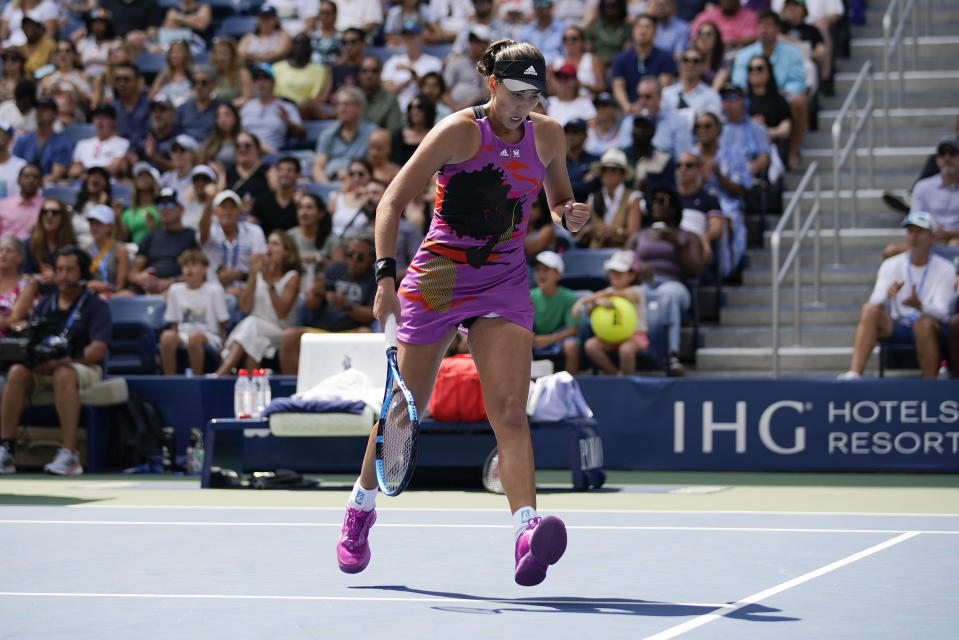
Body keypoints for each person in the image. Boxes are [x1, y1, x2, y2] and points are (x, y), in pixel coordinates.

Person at [336, 39, 590, 586]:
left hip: (502, 279)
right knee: (404, 413)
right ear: (492, 85)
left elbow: (557, 199)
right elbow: (391, 201)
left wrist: (570, 213)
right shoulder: (457, 132)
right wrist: (384, 276)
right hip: (440, 278)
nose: (526, 105)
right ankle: (360, 510)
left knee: (510, 411)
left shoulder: (547, 134)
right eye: (517, 93)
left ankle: (527, 531)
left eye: (535, 95)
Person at [0, 245, 111, 476]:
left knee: (64, 372)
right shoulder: (45, 303)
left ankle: (69, 454)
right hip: (45, 366)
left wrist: (64, 360)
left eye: (70, 270)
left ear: (82, 273)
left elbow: (97, 351)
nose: (63, 275)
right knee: (17, 371)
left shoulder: (95, 305)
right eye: (59, 269)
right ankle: (6, 449)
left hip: (83, 366)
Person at [839, 212, 956, 380]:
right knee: (870, 310)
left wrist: (920, 306)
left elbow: (942, 313)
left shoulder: (945, 268)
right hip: (897, 324)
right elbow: (874, 301)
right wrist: (887, 294)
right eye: (910, 231)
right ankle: (855, 373)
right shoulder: (891, 264)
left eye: (919, 232)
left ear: (931, 237)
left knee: (922, 323)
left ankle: (930, 383)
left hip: (930, 326)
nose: (913, 237)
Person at [628, 185, 705, 375]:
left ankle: (672, 356)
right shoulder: (639, 235)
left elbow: (696, 271)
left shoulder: (689, 236)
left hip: (675, 285)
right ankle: (639, 351)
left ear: (674, 207)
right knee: (637, 295)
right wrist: (638, 266)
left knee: (666, 297)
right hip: (644, 284)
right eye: (653, 201)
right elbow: (622, 261)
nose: (655, 205)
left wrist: (677, 245)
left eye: (661, 201)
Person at [278, 229, 376, 374]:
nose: (354, 260)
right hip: (322, 330)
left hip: (351, 332)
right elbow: (310, 306)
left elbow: (372, 314)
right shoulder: (333, 269)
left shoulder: (374, 279)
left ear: (371, 259)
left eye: (360, 257)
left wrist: (346, 306)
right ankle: (294, 391)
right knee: (288, 337)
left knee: (366, 334)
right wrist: (316, 293)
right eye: (350, 255)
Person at [214, 229, 301, 376]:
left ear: (287, 252)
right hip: (255, 332)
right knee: (254, 344)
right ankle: (252, 390)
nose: (269, 247)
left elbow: (281, 313)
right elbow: (244, 307)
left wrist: (269, 284)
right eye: (268, 243)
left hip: (280, 331)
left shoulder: (292, 277)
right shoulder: (258, 275)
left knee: (251, 323)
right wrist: (253, 275)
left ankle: (222, 372)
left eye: (275, 244)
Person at [731, 10, 807, 171]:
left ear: (777, 29)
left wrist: (776, 93)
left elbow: (798, 83)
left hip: (781, 98)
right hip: (751, 100)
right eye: (761, 25)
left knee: (798, 100)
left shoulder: (791, 52)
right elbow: (738, 84)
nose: (764, 30)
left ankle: (792, 153)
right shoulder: (745, 54)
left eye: (769, 26)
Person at [572, 249, 650, 375]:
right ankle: (616, 376)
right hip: (610, 337)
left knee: (626, 350)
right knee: (591, 346)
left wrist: (584, 300)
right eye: (612, 272)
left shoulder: (637, 291)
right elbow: (589, 314)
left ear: (632, 275)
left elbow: (616, 294)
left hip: (634, 336)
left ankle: (626, 382)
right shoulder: (606, 292)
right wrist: (595, 303)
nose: (614, 275)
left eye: (619, 272)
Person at [159, 248, 229, 375]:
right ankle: (170, 380)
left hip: (210, 336)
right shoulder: (174, 290)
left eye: (194, 265)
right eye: (185, 265)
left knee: (194, 338)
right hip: (183, 335)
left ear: (204, 269)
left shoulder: (215, 290)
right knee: (167, 336)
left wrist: (224, 350)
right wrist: (172, 338)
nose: (188, 269)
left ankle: (197, 381)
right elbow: (174, 324)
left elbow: (223, 324)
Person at [128, 187, 199, 294]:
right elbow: (132, 273)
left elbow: (198, 272)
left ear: (181, 209)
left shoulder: (191, 236)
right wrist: (141, 278)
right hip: (150, 292)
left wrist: (170, 282)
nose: (164, 209)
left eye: (169, 204)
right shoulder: (150, 236)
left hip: (181, 292)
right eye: (160, 205)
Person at [197, 189, 267, 294]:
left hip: (246, 290)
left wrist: (239, 275)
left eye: (232, 207)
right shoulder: (210, 231)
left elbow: (258, 267)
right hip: (213, 291)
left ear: (240, 212)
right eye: (223, 207)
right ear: (215, 211)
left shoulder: (254, 231)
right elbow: (203, 233)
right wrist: (208, 205)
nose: (228, 211)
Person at [610, 14, 677, 112]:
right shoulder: (621, 57)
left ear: (655, 32)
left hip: (656, 109)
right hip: (628, 110)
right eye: (639, 26)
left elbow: (663, 86)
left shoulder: (665, 57)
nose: (642, 31)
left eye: (647, 27)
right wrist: (627, 106)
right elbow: (618, 86)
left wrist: (642, 105)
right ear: (633, 30)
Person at [312, 86, 377, 183]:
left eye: (347, 104)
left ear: (360, 107)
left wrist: (350, 179)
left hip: (360, 183)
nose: (342, 108)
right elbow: (318, 167)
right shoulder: (328, 134)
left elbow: (376, 166)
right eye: (339, 104)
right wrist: (328, 187)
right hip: (331, 183)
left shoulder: (373, 133)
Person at [530, 250, 579, 373]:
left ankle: (571, 386)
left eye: (546, 270)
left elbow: (573, 330)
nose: (541, 274)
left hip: (558, 340)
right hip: (535, 340)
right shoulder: (529, 296)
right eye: (537, 270)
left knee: (571, 346)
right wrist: (530, 337)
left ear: (558, 274)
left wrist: (549, 339)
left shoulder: (568, 296)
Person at [581, 148, 641, 249]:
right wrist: (587, 231)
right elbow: (579, 229)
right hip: (596, 252)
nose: (608, 174)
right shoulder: (593, 198)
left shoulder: (633, 197)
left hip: (622, 252)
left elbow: (634, 233)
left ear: (622, 174)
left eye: (613, 169)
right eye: (604, 170)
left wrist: (616, 232)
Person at [239, 63, 305, 154]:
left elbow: (302, 133)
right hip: (247, 153)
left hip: (275, 154)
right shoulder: (246, 108)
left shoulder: (286, 106)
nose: (261, 83)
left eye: (265, 78)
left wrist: (288, 121)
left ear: (273, 82)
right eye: (257, 79)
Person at [380, 21, 442, 112]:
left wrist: (411, 71)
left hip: (424, 111)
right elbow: (387, 90)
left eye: (413, 36)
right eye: (406, 36)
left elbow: (432, 91)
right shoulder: (393, 61)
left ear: (421, 38)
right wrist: (410, 80)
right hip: (395, 110)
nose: (409, 40)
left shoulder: (433, 62)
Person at [272, 33, 331, 121]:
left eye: (304, 44)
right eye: (297, 43)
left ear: (309, 47)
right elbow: (273, 94)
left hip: (308, 111)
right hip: (281, 108)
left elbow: (318, 97)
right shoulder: (276, 68)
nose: (300, 47)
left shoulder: (319, 70)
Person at [23, 197, 76, 294]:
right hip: (32, 295)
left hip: (64, 295)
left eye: (54, 212)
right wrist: (36, 277)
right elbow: (18, 275)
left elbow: (78, 280)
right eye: (45, 212)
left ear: (63, 217)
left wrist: (56, 278)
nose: (49, 215)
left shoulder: (72, 247)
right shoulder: (28, 244)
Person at [745, 55, 792, 161]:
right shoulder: (742, 101)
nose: (754, 72)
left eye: (759, 68)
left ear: (768, 72)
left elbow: (786, 129)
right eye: (750, 69)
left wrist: (764, 131)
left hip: (771, 149)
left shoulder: (778, 100)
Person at [12, 97, 71, 183]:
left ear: (55, 114)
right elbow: (14, 167)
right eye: (38, 109)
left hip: (46, 189)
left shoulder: (62, 144)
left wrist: (34, 186)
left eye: (45, 109)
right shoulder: (23, 140)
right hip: (21, 186)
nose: (40, 112)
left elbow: (56, 174)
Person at [661, 46, 721, 128]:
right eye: (686, 60)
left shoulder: (712, 96)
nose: (690, 64)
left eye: (695, 61)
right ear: (680, 65)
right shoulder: (666, 94)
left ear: (703, 66)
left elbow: (712, 128)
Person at [68, 103, 128, 179]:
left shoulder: (122, 143)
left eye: (104, 117)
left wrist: (84, 170)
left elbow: (113, 169)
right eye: (97, 117)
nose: (100, 122)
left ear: (114, 121)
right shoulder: (82, 144)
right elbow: (73, 171)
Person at [83, 203, 129, 296]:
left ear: (110, 227)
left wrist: (105, 288)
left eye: (99, 223)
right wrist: (92, 285)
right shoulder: (84, 250)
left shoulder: (120, 250)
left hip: (113, 295)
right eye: (92, 223)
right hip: (90, 293)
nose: (94, 227)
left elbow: (120, 285)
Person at [250, 154, 299, 235]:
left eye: (289, 170)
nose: (285, 173)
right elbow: (250, 224)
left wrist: (299, 205)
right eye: (281, 170)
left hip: (294, 245)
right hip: (268, 245)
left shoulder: (302, 202)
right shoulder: (262, 199)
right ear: (276, 173)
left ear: (297, 175)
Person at [550, 25, 605, 96]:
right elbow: (550, 90)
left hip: (587, 101)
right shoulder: (556, 62)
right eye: (565, 39)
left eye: (574, 39)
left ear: (583, 41)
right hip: (562, 103)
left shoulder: (592, 60)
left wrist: (583, 85)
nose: (569, 42)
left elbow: (601, 87)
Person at [175, 65, 221, 146]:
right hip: (186, 151)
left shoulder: (221, 108)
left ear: (213, 85)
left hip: (212, 149)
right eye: (194, 82)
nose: (198, 86)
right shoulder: (182, 108)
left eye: (204, 82)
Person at [328, 157, 372, 236]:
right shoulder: (338, 198)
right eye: (352, 174)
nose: (356, 178)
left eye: (360, 174)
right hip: (338, 244)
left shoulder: (373, 200)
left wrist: (367, 195)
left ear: (370, 176)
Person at [0, 234, 34, 336]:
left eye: (9, 250)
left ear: (20, 258)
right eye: (0, 250)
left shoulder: (26, 285)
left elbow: (13, 319)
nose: (3, 254)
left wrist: (6, 322)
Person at [118, 162, 161, 244]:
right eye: (139, 176)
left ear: (153, 180)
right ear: (135, 182)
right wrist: (117, 218)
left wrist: (153, 228)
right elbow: (122, 239)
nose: (143, 178)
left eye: (147, 175)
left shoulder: (162, 207)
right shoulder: (128, 213)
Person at [388, 94, 436, 166]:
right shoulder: (398, 135)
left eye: (419, 107)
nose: (414, 111)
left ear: (428, 110)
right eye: (411, 107)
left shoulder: (435, 135)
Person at [690, 0, 758, 50]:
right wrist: (733, 42)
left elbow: (751, 39)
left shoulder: (751, 17)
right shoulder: (705, 16)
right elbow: (695, 39)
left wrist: (719, 43)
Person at [358, 55, 402, 132]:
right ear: (360, 74)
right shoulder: (352, 97)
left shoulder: (390, 99)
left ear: (380, 73)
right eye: (365, 71)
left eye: (374, 71)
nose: (369, 75)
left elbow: (393, 131)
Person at [0, 163, 42, 241]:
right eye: (26, 176)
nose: (31, 180)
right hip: (4, 250)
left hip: (34, 249)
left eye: (35, 177)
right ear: (18, 181)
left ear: (41, 183)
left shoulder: (46, 207)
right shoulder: (2, 205)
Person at [147, 40, 193, 108]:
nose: (175, 55)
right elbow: (150, 98)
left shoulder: (193, 75)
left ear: (186, 54)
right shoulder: (162, 76)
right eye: (172, 52)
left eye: (178, 51)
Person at [210, 36, 253, 108]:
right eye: (216, 53)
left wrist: (227, 106)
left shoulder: (242, 74)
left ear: (232, 55)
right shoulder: (211, 74)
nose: (220, 57)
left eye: (224, 53)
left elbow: (246, 99)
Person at [564, 118, 599, 204]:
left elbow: (590, 186)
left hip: (585, 210)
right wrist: (580, 181)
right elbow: (544, 189)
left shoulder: (594, 160)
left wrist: (560, 186)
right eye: (567, 132)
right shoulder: (556, 161)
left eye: (575, 132)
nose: (571, 136)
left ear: (585, 135)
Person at [202, 102, 241, 172]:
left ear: (235, 117)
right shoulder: (210, 142)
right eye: (219, 116)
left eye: (227, 115)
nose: (223, 119)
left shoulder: (245, 140)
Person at [693, 21, 730, 91]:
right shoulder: (690, 59)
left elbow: (714, 91)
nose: (703, 38)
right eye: (700, 34)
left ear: (716, 39)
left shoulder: (722, 62)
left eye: (708, 34)